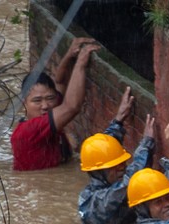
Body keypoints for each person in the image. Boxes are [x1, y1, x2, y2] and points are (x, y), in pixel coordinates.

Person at [78, 98, 169, 224]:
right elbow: (131, 179)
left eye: (122, 163)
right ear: (98, 172)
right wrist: (146, 144)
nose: (121, 167)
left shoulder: (100, 178)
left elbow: (104, 150)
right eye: (114, 167)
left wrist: (118, 121)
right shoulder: (101, 200)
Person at [11, 37, 101, 171]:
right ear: (23, 104)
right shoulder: (27, 131)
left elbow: (59, 83)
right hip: (38, 185)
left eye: (49, 98)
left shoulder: (50, 108)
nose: (45, 105)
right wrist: (81, 63)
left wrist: (70, 55)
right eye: (37, 100)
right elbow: (72, 107)